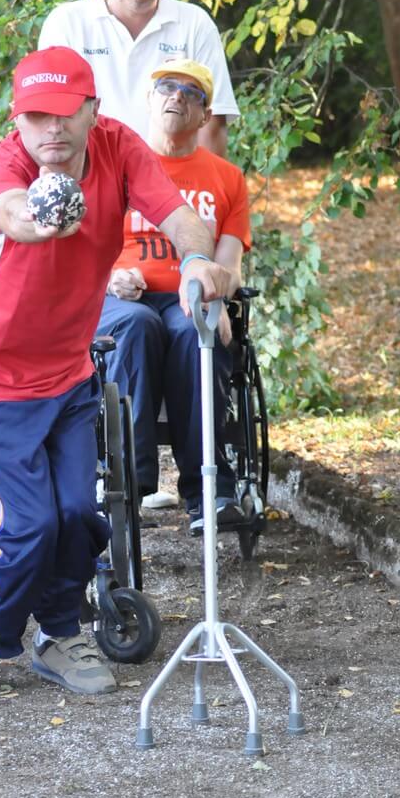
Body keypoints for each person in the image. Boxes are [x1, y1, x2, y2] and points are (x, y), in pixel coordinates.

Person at [0, 45, 231, 702]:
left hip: (67, 370)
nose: (50, 130)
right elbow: (11, 214)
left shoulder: (119, 150)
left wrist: (199, 262)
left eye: (64, 114)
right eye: (35, 116)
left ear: (92, 111)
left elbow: (180, 220)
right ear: (17, 118)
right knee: (27, 525)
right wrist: (43, 214)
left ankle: (58, 634)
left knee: (79, 513)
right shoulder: (5, 164)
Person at [96, 58, 251, 533]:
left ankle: (209, 491)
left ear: (206, 116)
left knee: (193, 333)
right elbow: (83, 250)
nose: (176, 96)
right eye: (166, 86)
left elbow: (229, 265)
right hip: (122, 303)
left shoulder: (227, 178)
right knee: (137, 326)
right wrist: (111, 276)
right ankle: (129, 483)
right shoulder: (116, 166)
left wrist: (219, 299)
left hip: (189, 300)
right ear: (149, 98)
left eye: (192, 92)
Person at [38, 0, 239, 156]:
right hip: (91, 178)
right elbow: (50, 120)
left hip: (171, 184)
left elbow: (213, 124)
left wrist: (204, 191)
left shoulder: (194, 24)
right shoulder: (67, 23)